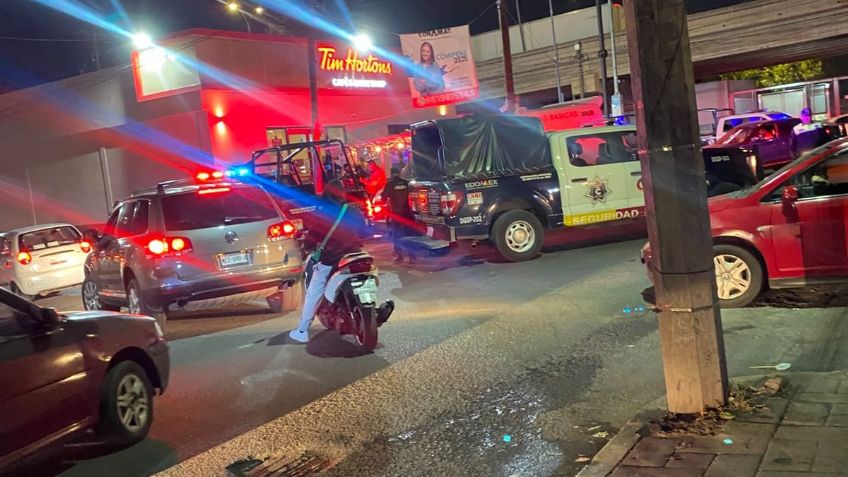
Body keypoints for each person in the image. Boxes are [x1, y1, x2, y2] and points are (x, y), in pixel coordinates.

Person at [289, 184, 368, 343]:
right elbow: (365, 232)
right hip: (355, 255)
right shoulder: (353, 211)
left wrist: (307, 246)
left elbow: (311, 240)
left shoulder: (322, 214)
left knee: (314, 291)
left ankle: (302, 330)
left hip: (331, 258)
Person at [382, 166, 416, 263]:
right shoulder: (407, 183)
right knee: (409, 234)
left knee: (397, 235)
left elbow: (383, 198)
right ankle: (412, 256)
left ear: (391, 174)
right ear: (400, 173)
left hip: (396, 214)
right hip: (408, 213)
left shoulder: (390, 184)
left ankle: (400, 256)